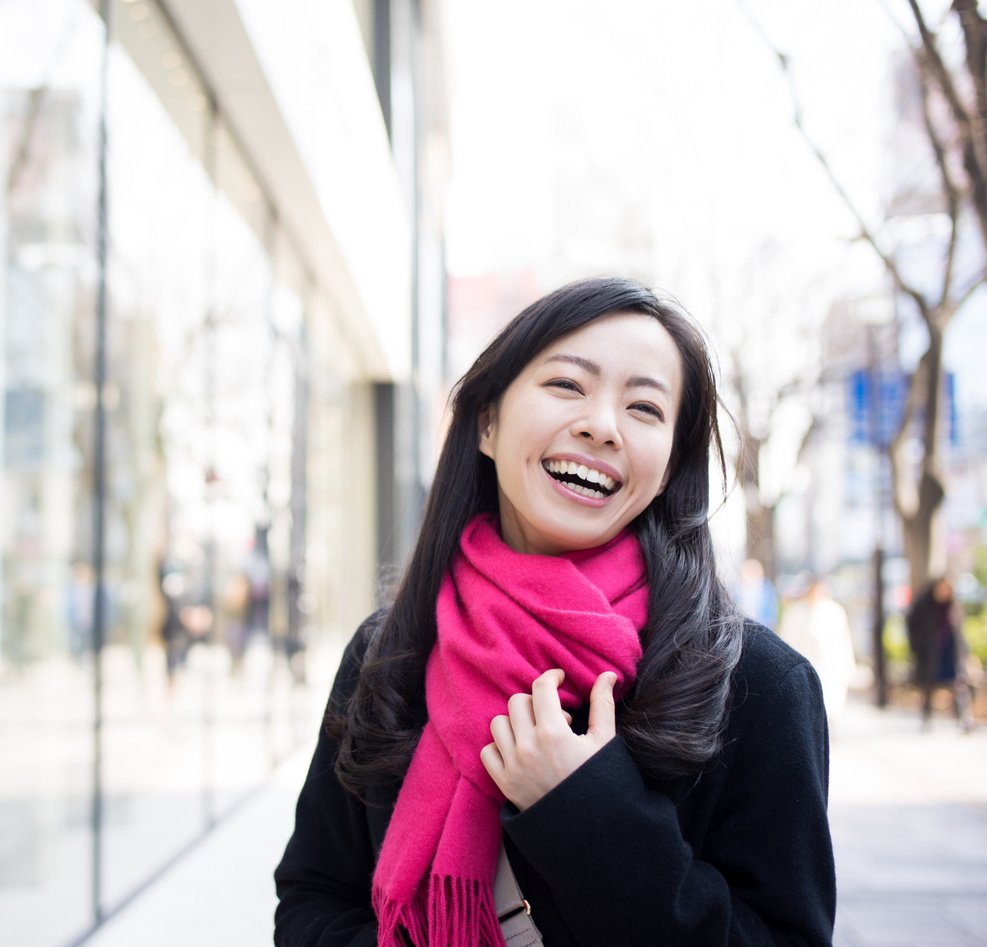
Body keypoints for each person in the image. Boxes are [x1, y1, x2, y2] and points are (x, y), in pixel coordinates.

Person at [274, 278, 835, 946]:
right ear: (486, 422)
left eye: (644, 408)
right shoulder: (390, 650)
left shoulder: (758, 685)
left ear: (668, 466)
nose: (601, 424)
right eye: (567, 385)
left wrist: (588, 810)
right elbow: (313, 899)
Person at [777, 576, 857, 730]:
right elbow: (787, 639)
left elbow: (843, 639)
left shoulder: (835, 611)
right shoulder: (796, 612)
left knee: (831, 702)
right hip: (806, 663)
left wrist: (848, 665)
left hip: (830, 664)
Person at [906, 576, 975, 733]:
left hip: (950, 653)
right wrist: (918, 646)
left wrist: (965, 655)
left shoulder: (952, 607)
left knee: (958, 684)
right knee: (929, 686)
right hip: (930, 654)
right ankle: (927, 717)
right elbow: (912, 627)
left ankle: (963, 718)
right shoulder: (923, 606)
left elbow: (959, 634)